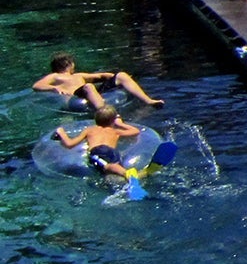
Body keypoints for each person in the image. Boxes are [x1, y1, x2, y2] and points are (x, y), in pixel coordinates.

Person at [33, 53, 163, 110]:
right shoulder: (55, 76)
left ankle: (148, 101)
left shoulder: (79, 75)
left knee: (121, 75)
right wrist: (53, 88)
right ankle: (105, 113)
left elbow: (100, 76)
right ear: (68, 64)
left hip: (89, 92)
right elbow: (37, 85)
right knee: (89, 86)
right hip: (75, 98)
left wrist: (115, 77)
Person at [55, 105, 142, 185]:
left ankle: (127, 174)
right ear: (113, 121)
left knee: (108, 166)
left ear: (95, 118)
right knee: (110, 174)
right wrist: (120, 124)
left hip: (97, 151)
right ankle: (133, 177)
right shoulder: (115, 131)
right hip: (113, 152)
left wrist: (61, 133)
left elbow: (69, 144)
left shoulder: (90, 130)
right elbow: (136, 131)